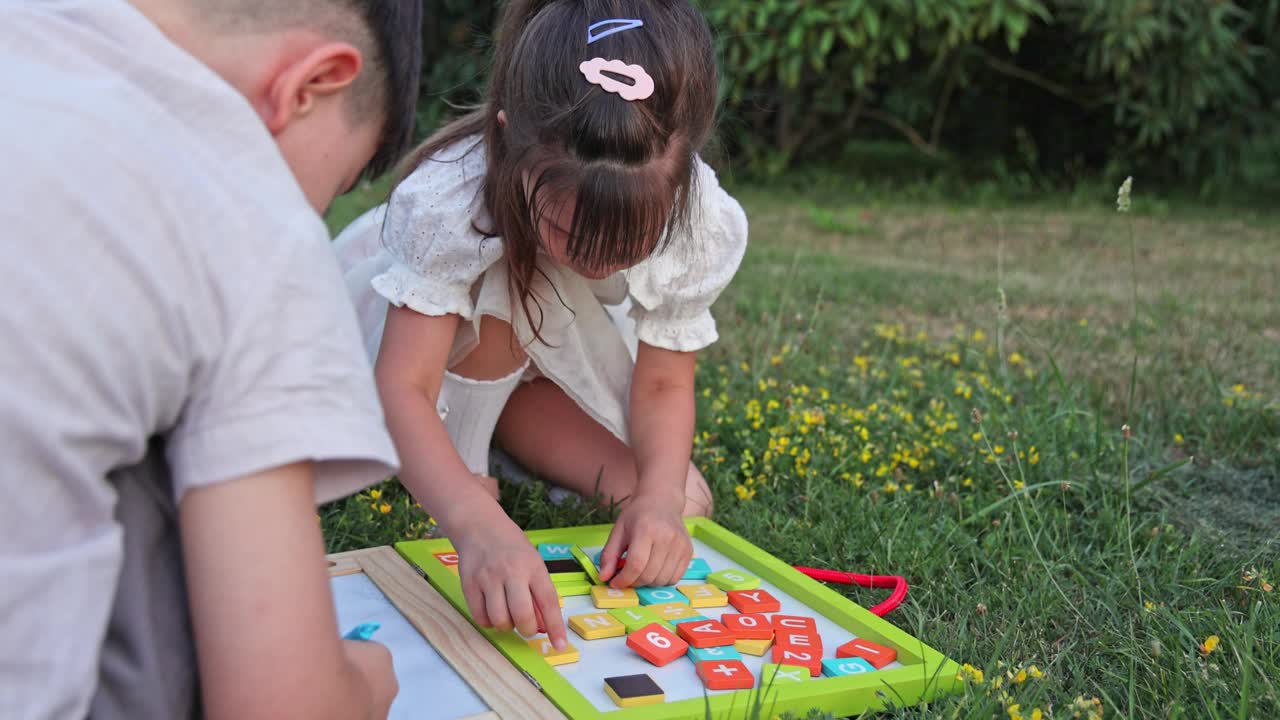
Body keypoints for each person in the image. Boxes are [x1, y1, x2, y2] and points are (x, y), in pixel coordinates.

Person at [0, 1, 422, 719]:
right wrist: (356, 688)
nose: (312, 214)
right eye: (333, 189)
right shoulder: (249, 213)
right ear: (311, 83)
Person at [336, 0, 748, 651]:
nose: (596, 260)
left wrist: (659, 502)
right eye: (567, 229)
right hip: (427, 355)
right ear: (508, 145)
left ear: (678, 184)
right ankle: (459, 474)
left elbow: (666, 386)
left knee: (680, 500)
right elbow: (402, 387)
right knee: (511, 282)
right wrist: (475, 522)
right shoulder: (451, 205)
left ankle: (504, 441)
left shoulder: (702, 219)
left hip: (542, 362)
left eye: (628, 242)